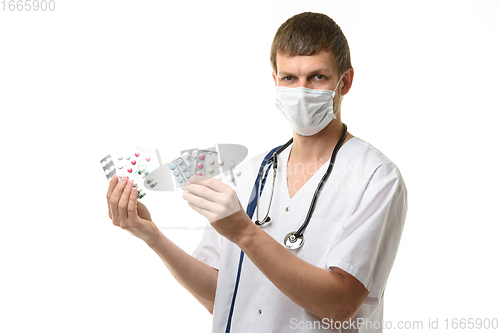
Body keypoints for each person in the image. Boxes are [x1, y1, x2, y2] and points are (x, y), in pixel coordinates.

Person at [105, 12, 407, 332]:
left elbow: (340, 304)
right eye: (290, 78)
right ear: (275, 81)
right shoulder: (250, 174)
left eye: (318, 77)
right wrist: (151, 235)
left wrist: (245, 233)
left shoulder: (375, 177)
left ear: (344, 82)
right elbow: (218, 296)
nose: (302, 90)